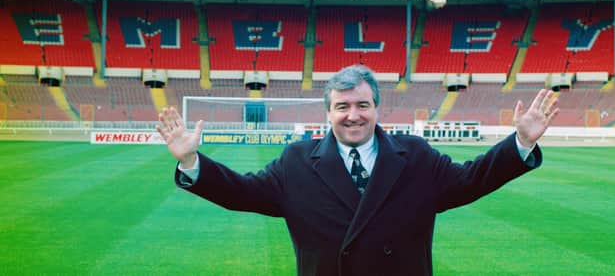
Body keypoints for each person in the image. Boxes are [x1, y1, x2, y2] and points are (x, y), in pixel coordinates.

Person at [156, 64, 559, 276]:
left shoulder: (415, 157)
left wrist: (520, 143)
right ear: (328, 112)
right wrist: (191, 162)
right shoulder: (297, 161)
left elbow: (471, 180)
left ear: (377, 108)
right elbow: (242, 192)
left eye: (362, 105)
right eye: (343, 107)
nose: (353, 116)